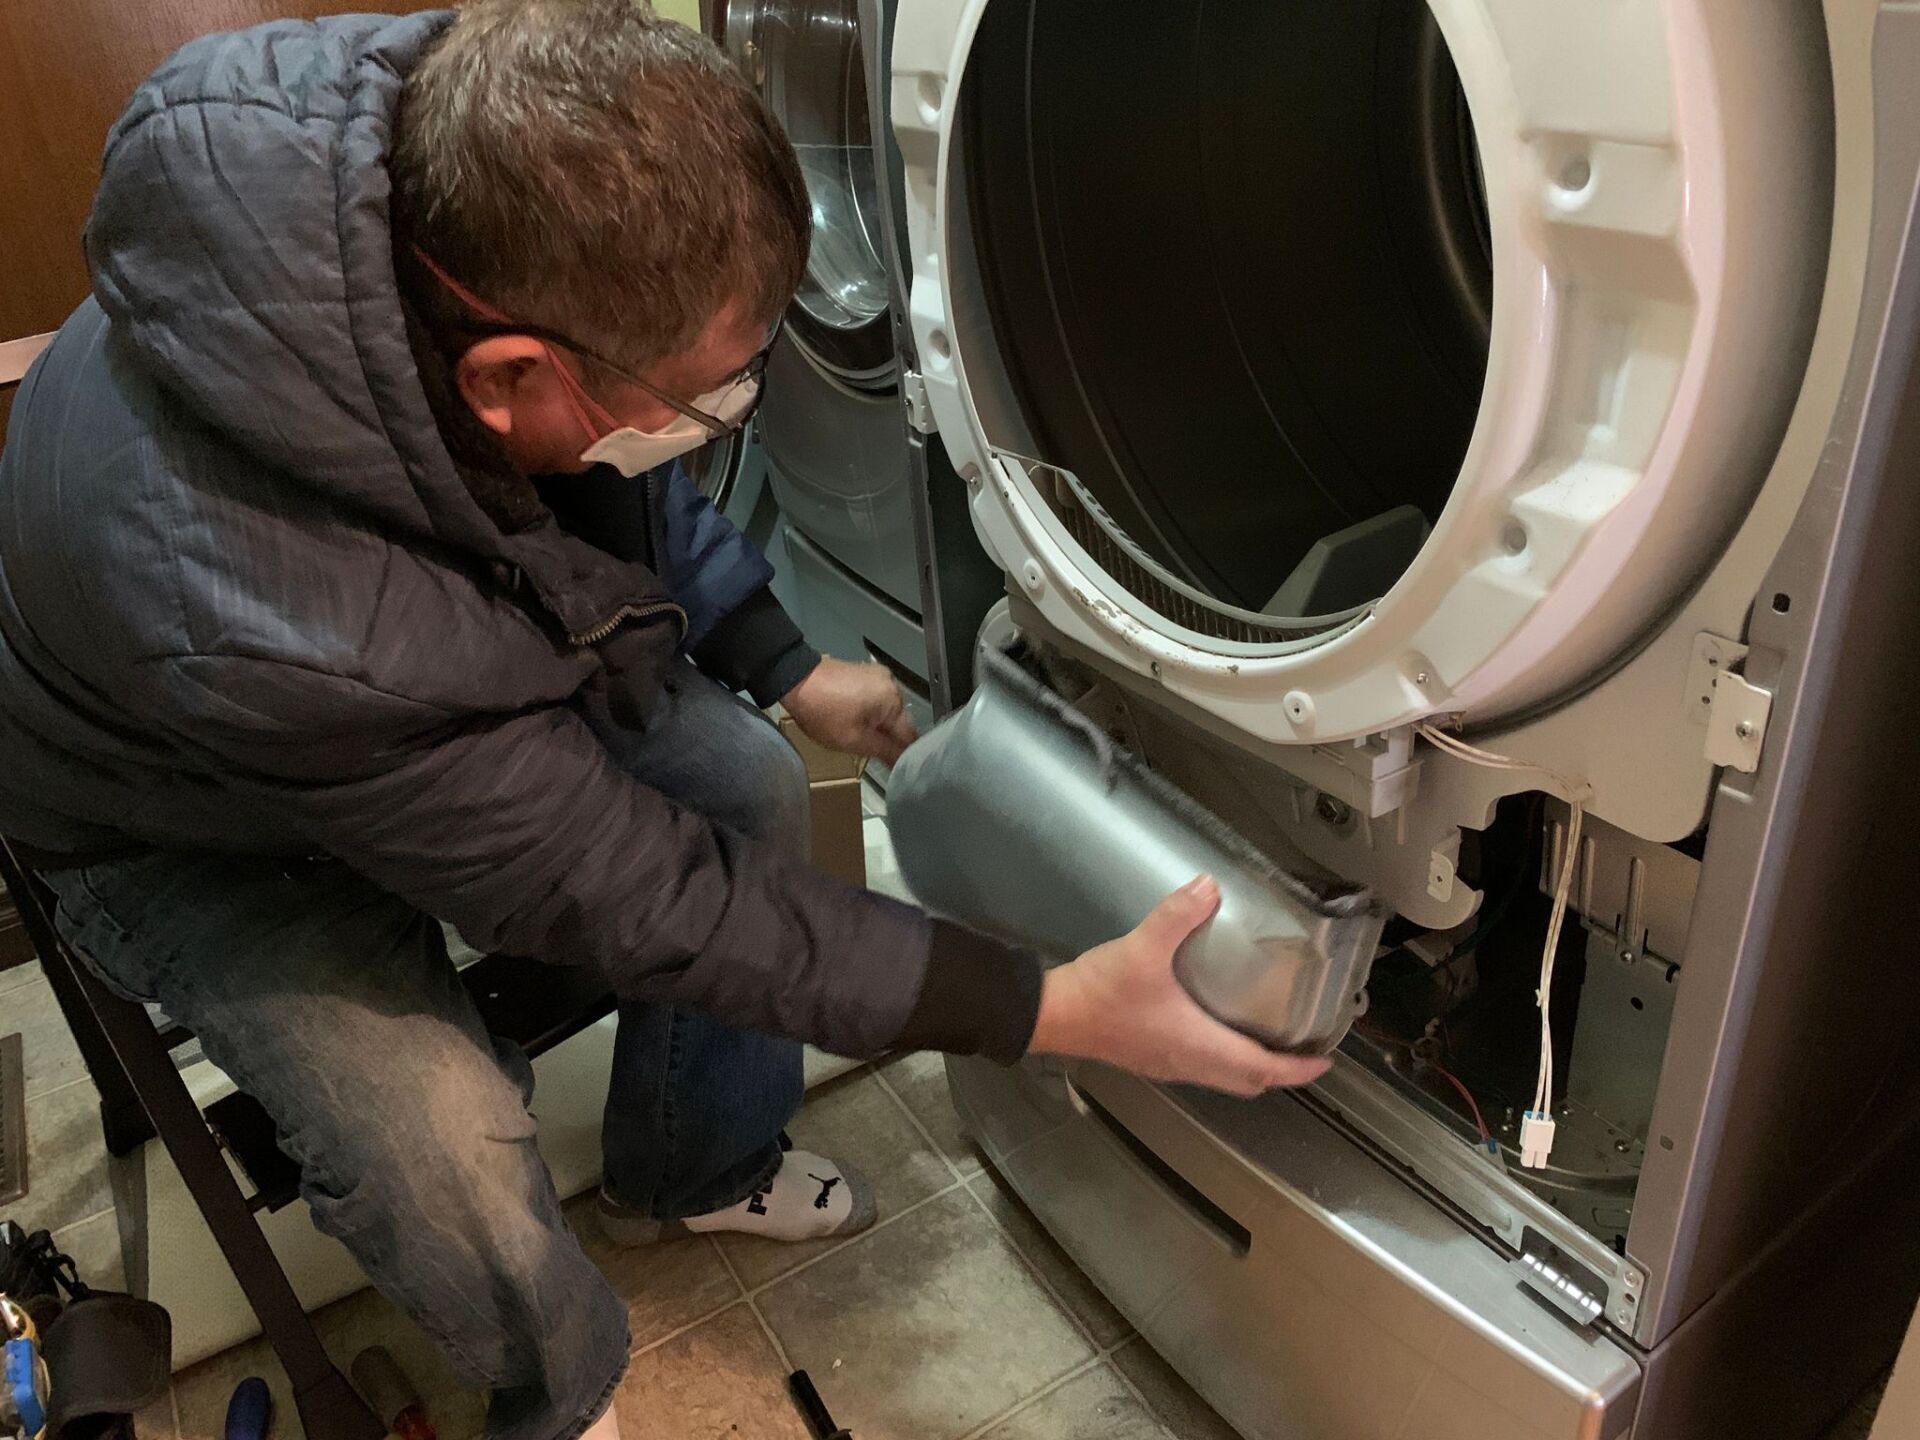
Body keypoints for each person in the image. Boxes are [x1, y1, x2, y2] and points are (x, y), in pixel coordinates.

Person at [0, 3, 1329, 1436]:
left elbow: (584, 490)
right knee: (444, 1146)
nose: (725, 416)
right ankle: (559, 1388)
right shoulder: (283, 609)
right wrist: (1047, 1006)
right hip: (185, 827)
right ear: (511, 378)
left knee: (749, 783)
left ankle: (689, 1165)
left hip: (417, 676)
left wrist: (781, 660)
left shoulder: (422, 186)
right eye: (709, 398)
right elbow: (647, 901)